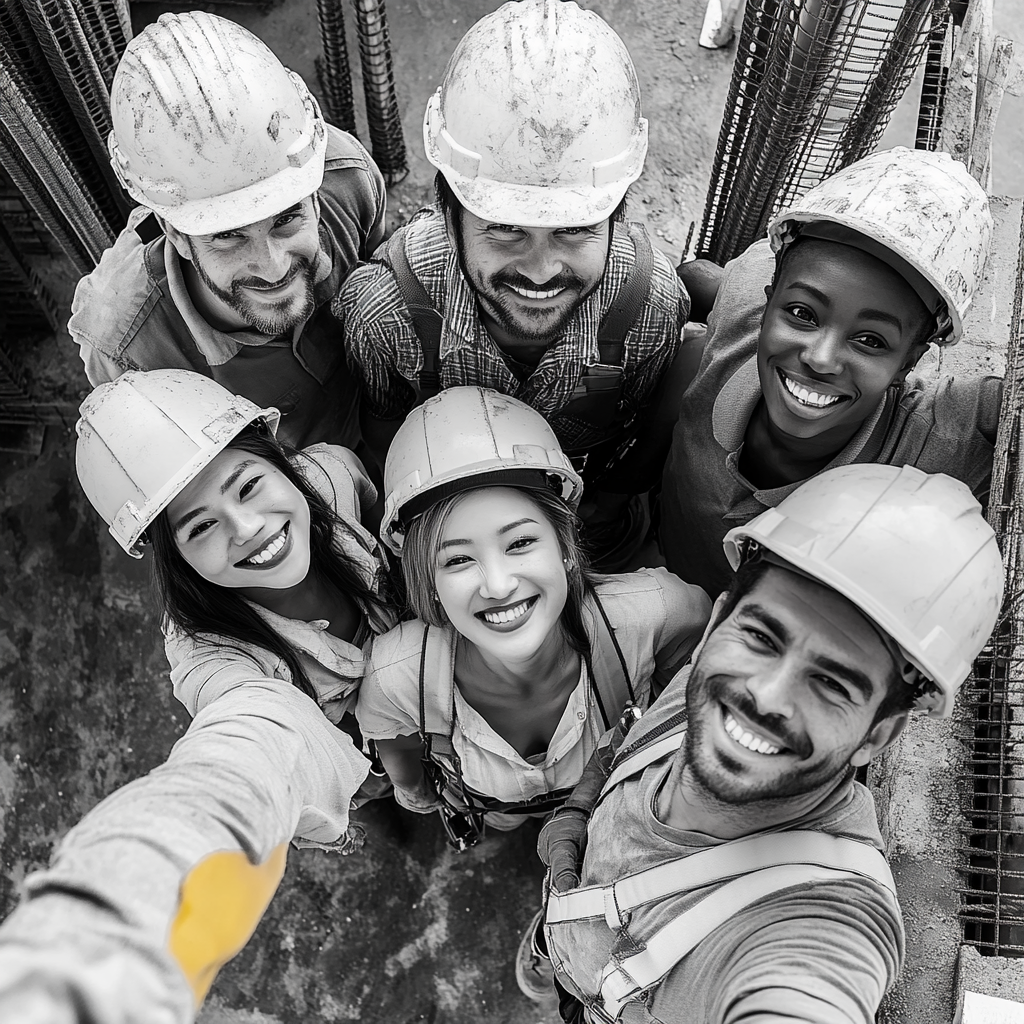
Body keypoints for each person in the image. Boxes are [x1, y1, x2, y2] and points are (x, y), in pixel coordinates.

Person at [535, 463, 1004, 1022]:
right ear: (713, 628)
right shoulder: (702, 681)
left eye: (832, 683)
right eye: (761, 636)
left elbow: (810, 990)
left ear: (876, 735)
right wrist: (581, 807)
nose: (765, 694)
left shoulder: (817, 922)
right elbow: (628, 738)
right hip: (571, 939)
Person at [0, 369, 397, 1020]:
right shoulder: (208, 658)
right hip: (356, 753)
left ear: (284, 465)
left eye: (249, 485)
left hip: (439, 693)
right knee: (386, 790)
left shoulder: (334, 476)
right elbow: (243, 759)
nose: (246, 528)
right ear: (174, 557)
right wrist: (97, 954)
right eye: (201, 527)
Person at [336, 0, 691, 569]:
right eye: (505, 229)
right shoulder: (387, 316)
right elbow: (383, 440)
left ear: (615, 217)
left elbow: (638, 428)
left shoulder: (649, 307)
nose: (541, 269)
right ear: (449, 212)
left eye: (574, 230)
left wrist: (605, 504)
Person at [356, 386, 711, 849]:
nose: (498, 585)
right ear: (431, 585)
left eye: (520, 543)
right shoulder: (395, 676)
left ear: (565, 547)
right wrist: (423, 795)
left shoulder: (657, 613)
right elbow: (402, 760)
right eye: (458, 560)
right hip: (495, 811)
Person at [659, 147, 1002, 597]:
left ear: (910, 362)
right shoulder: (741, 306)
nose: (821, 358)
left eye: (871, 341)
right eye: (802, 313)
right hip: (661, 568)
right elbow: (706, 279)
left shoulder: (936, 442)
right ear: (767, 301)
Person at [69, 12, 387, 450]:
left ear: (313, 196)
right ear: (175, 233)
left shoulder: (347, 180)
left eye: (285, 219)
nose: (273, 267)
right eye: (227, 236)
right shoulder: (129, 350)